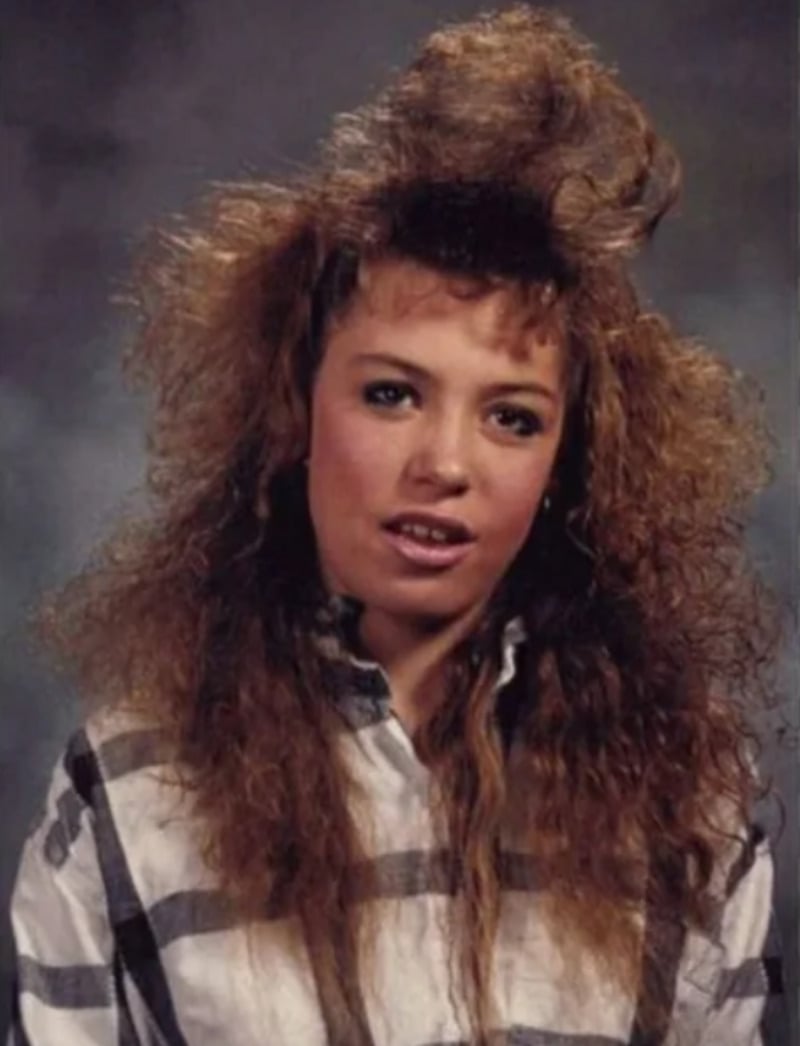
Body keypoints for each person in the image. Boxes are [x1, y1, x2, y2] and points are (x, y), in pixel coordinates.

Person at [8, 7, 782, 1045]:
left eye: (511, 417)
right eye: (391, 394)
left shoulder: (688, 801)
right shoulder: (128, 791)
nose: (445, 465)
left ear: (567, 463)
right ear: (296, 410)